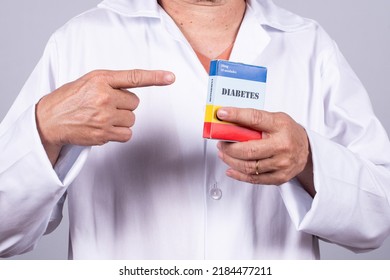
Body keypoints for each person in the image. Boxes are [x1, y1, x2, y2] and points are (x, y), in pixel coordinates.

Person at [1, 0, 390, 259]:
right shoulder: (80, 40)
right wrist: (44, 127)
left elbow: (378, 218)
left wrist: (308, 159)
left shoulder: (309, 45)